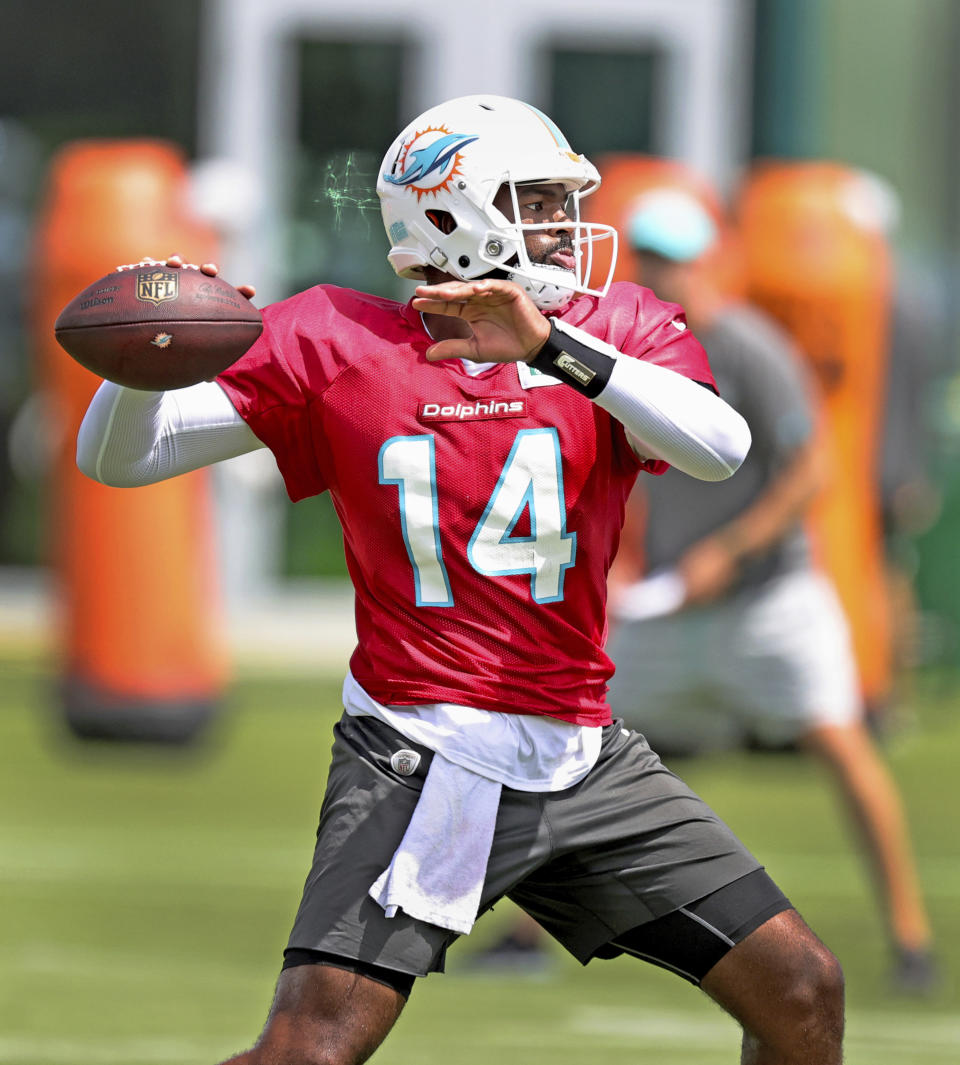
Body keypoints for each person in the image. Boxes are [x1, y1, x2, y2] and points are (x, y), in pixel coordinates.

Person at [75, 96, 845, 1064]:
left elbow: (721, 449)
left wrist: (554, 351)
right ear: (452, 216)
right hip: (421, 749)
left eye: (567, 203)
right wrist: (135, 362)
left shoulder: (609, 332)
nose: (566, 227)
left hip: (582, 753)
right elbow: (122, 461)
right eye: (537, 202)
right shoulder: (337, 339)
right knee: (309, 1051)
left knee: (802, 988)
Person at [603, 186, 938, 994]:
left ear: (710, 259)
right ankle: (525, 933)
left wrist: (729, 549)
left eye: (674, 257)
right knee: (582, 748)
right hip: (677, 600)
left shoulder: (750, 346)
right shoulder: (640, 350)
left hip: (770, 599)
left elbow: (810, 469)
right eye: (649, 257)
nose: (662, 272)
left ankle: (911, 935)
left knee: (842, 742)